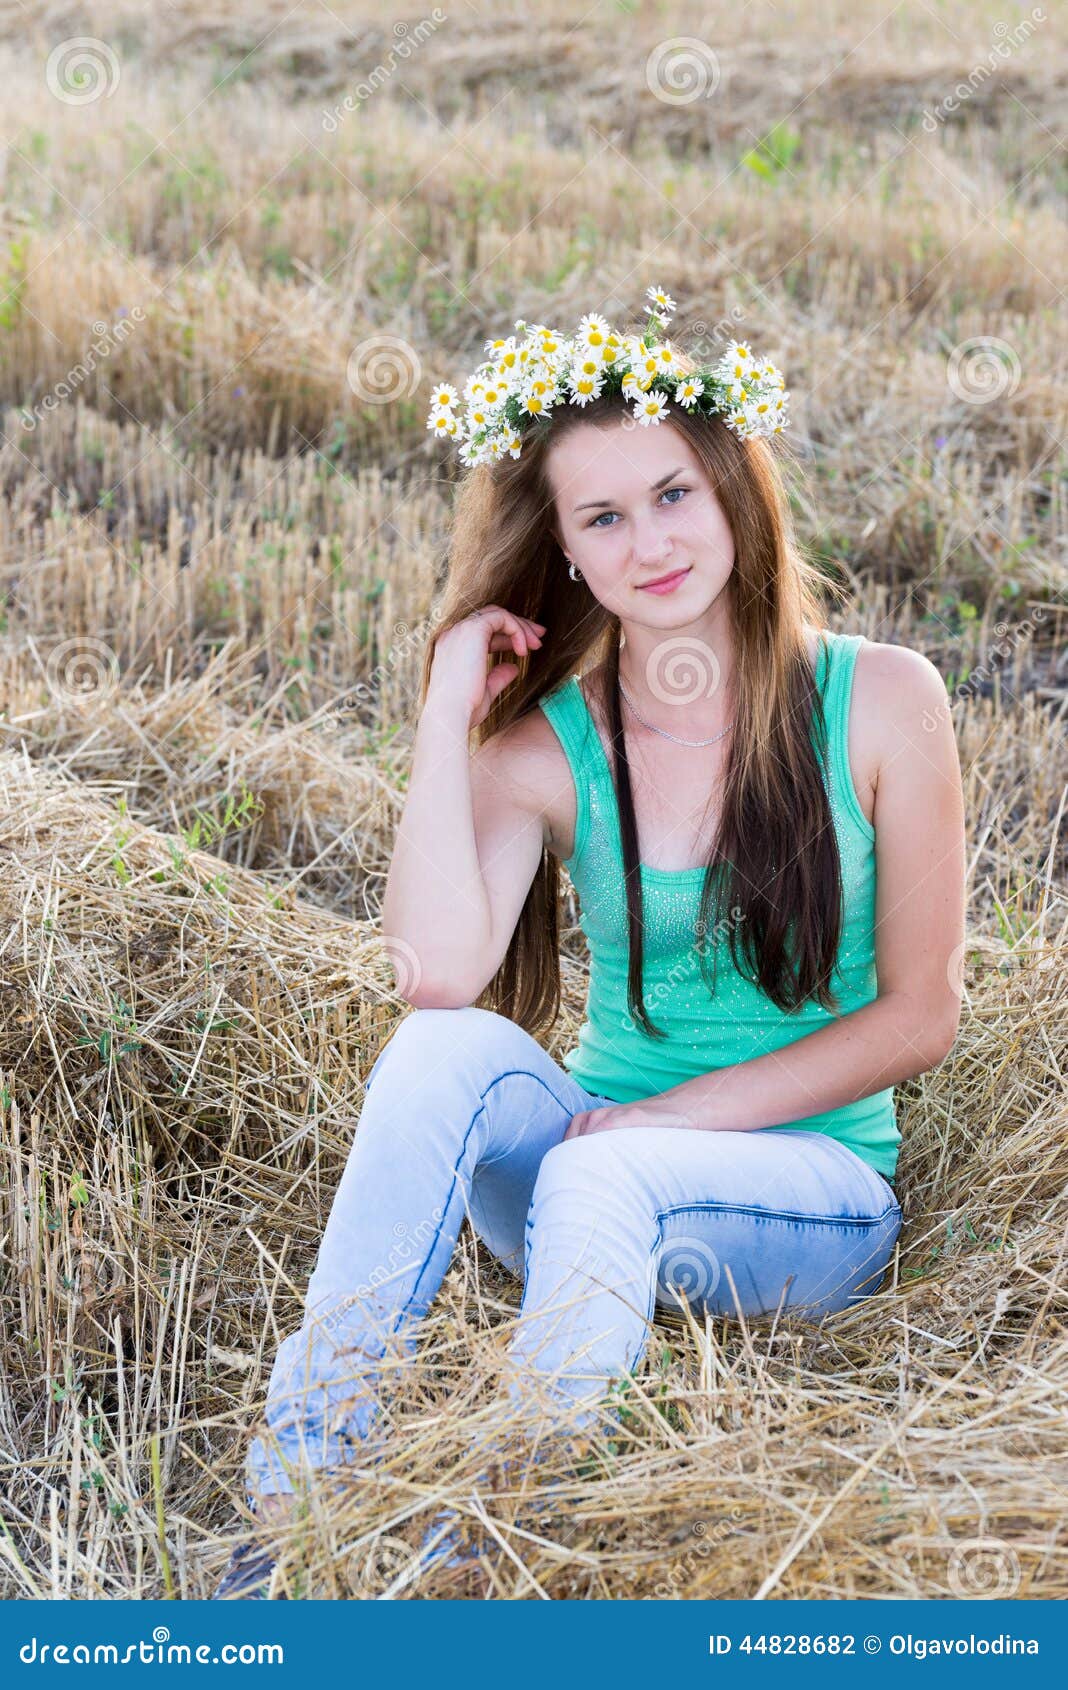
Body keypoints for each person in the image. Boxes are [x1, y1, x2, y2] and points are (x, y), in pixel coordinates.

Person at [213, 287, 966, 1597]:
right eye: (604, 516)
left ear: (734, 484)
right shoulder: (549, 741)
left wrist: (668, 1123)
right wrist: (449, 707)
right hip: (584, 1182)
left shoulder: (884, 699)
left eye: (674, 493)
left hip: (807, 1193)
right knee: (444, 1049)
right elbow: (438, 973)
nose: (652, 539)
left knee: (599, 1181)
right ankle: (303, 1500)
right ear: (562, 551)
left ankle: (500, 1550)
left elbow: (921, 1015)